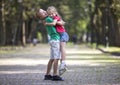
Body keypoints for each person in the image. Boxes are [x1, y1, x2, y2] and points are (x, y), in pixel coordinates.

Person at [36, 9, 64, 81]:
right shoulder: (48, 19)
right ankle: (55, 75)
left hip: (52, 40)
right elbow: (60, 23)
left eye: (44, 11)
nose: (45, 12)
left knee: (52, 58)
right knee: (56, 58)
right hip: (55, 39)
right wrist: (61, 21)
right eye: (42, 12)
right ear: (41, 16)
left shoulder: (46, 20)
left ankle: (47, 75)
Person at [44, 6, 69, 76]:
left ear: (55, 13)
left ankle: (63, 62)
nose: (51, 15)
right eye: (49, 14)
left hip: (63, 34)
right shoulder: (52, 18)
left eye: (52, 13)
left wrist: (46, 24)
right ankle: (62, 66)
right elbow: (62, 23)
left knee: (62, 48)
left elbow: (54, 23)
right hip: (59, 35)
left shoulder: (55, 18)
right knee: (59, 51)